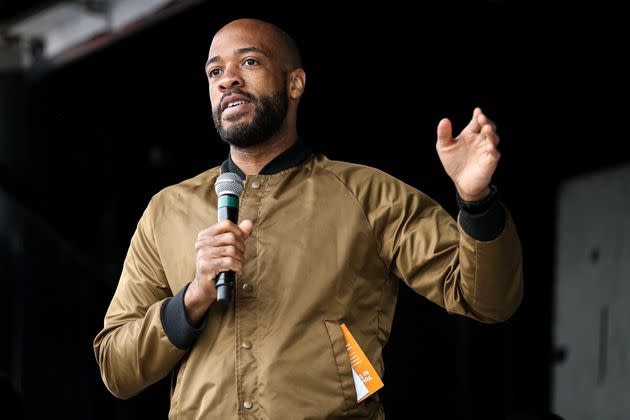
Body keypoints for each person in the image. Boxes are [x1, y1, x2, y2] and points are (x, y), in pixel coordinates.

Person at [93, 18, 523, 419]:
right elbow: (116, 367)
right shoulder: (167, 210)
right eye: (214, 72)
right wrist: (192, 300)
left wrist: (475, 201)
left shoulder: (367, 194)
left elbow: (488, 300)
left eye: (249, 61)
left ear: (295, 82)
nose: (228, 79)